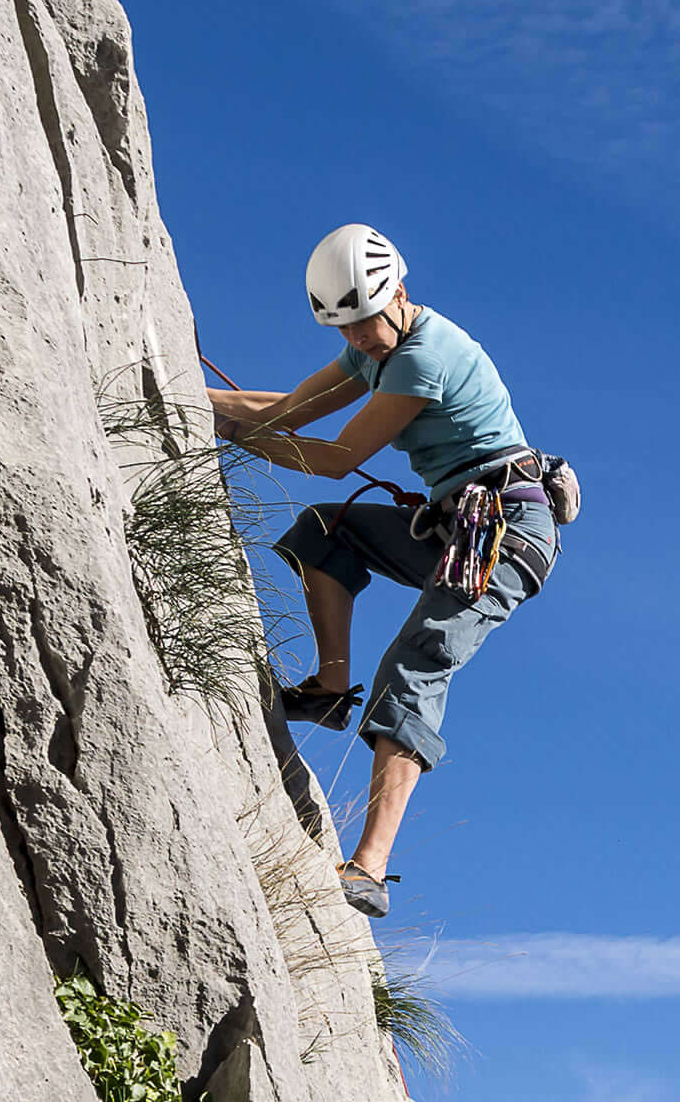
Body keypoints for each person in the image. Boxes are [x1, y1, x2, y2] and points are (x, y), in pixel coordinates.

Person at [210, 223, 562, 917]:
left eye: (364, 325)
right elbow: (284, 409)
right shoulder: (369, 352)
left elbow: (338, 456)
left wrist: (237, 433)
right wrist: (197, 400)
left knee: (416, 662)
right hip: (452, 527)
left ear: (398, 294)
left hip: (506, 534)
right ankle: (330, 690)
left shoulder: (423, 356)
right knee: (323, 531)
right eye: (344, 331)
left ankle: (369, 866)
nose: (357, 341)